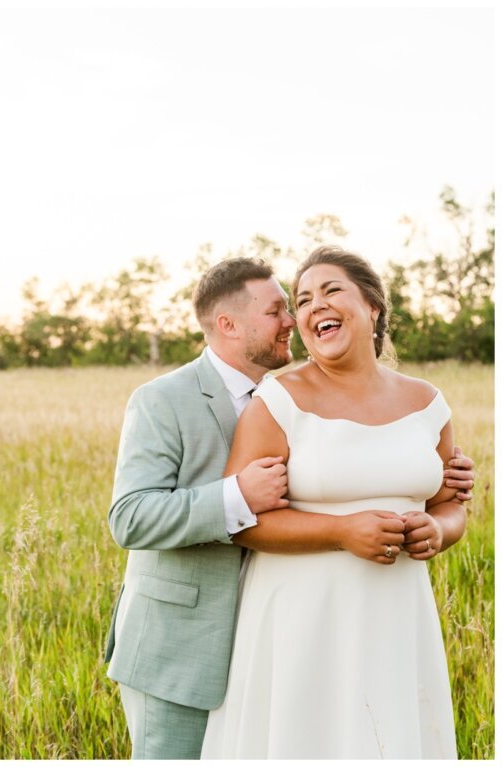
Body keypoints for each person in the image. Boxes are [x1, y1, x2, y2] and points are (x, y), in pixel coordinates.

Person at [104, 256, 475, 759]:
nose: (293, 321)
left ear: (373, 307)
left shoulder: (420, 401)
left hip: (375, 618)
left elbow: (443, 501)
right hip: (189, 642)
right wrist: (237, 498)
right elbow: (129, 517)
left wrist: (439, 514)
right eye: (284, 308)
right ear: (228, 325)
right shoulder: (168, 399)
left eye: (295, 306)